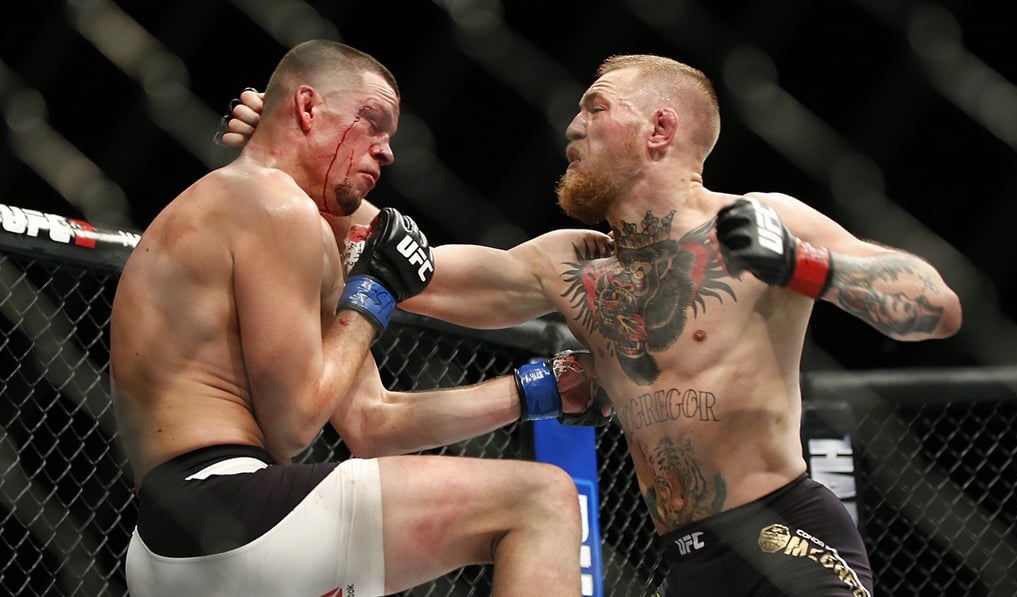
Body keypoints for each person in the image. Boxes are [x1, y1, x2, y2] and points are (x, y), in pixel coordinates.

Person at [223, 52, 962, 596]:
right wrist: (296, 159)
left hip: (786, 533)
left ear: (660, 128)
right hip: (684, 562)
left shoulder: (758, 220)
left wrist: (805, 264)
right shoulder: (569, 265)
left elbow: (935, 305)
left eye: (596, 108)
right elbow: (404, 261)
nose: (573, 128)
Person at [110, 39, 614, 597]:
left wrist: (542, 389)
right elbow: (293, 425)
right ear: (307, 108)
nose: (388, 152)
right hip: (228, 502)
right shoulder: (273, 203)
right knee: (542, 500)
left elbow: (375, 423)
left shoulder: (265, 217)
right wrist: (372, 296)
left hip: (170, 546)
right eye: (373, 123)